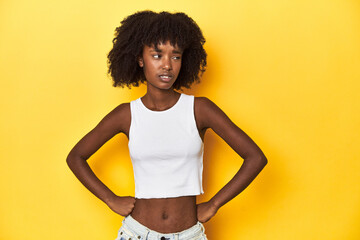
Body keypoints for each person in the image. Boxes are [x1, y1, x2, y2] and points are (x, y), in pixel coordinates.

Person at [66, 10, 267, 240]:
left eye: (176, 56)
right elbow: (76, 156)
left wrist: (214, 203)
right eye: (157, 55)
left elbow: (255, 157)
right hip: (137, 234)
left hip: (189, 235)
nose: (167, 65)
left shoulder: (199, 109)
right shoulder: (127, 115)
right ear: (140, 59)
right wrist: (110, 199)